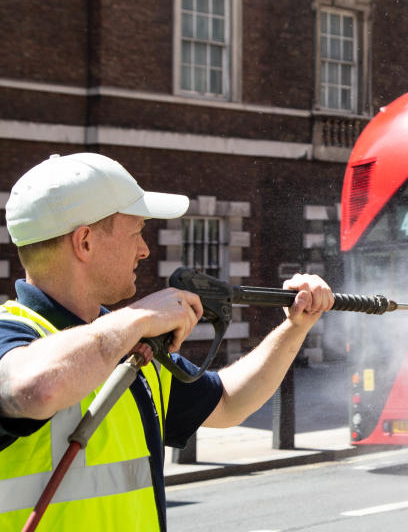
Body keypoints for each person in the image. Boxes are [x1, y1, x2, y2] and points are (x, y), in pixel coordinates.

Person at [0, 152, 334, 531]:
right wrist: (139, 317)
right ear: (85, 242)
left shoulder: (128, 342)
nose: (144, 249)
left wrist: (295, 327)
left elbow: (228, 402)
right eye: (135, 232)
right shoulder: (12, 334)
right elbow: (38, 388)